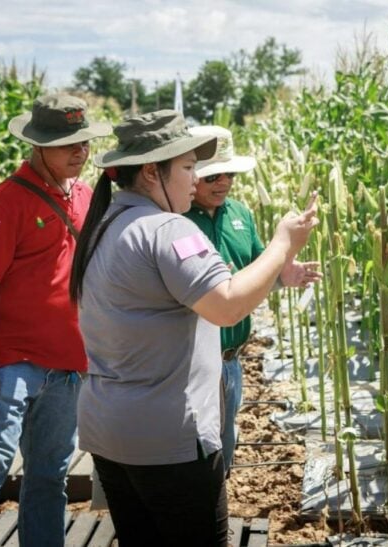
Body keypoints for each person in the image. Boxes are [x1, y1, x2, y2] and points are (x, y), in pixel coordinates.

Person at [70, 110, 318, 547]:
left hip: (108, 432)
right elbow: (226, 306)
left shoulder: (104, 223)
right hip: (170, 438)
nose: (195, 178)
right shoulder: (167, 229)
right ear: (151, 171)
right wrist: (282, 244)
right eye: (188, 168)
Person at [0, 94, 110, 547]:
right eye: (69, 144)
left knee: (49, 476)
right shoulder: (4, 203)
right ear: (37, 147)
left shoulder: (87, 197)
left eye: (84, 143)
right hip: (11, 365)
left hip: (68, 367)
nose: (81, 152)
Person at [184, 125, 321, 472]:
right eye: (213, 175)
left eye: (229, 174)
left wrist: (283, 276)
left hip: (231, 362)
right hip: (190, 365)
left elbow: (261, 267)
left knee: (223, 451)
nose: (224, 182)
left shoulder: (240, 215)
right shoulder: (176, 221)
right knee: (194, 459)